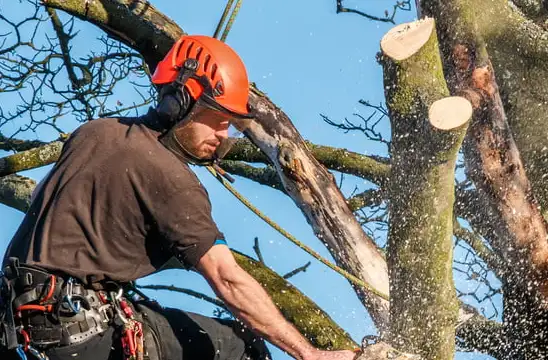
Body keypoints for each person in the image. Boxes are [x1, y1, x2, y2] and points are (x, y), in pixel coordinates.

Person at [0, 35, 358, 360]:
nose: (223, 134)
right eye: (216, 118)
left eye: (230, 124)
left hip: (21, 332)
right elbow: (227, 279)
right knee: (239, 348)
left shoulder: (94, 133)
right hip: (79, 333)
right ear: (179, 103)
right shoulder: (170, 177)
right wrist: (309, 354)